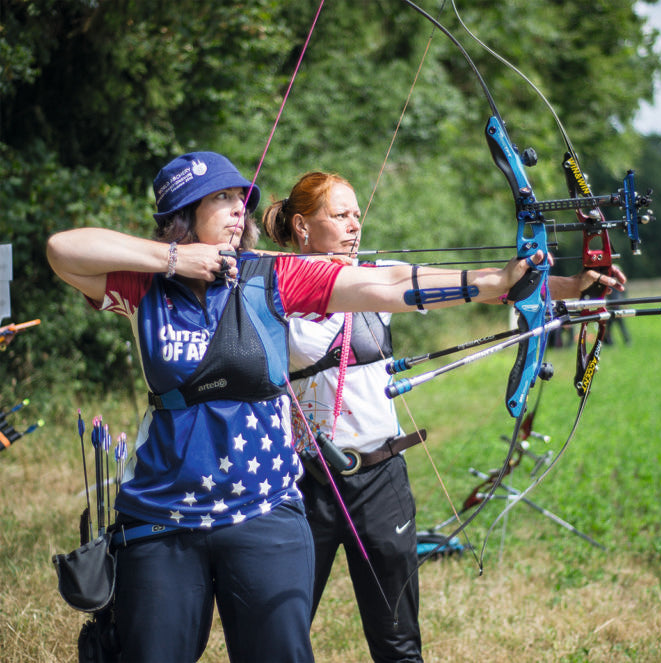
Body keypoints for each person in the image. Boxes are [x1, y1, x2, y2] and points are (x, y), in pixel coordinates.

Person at [45, 152, 564, 663]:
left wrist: (492, 283)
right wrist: (174, 260)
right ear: (182, 216)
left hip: (263, 506)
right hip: (163, 513)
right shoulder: (144, 288)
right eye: (220, 198)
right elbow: (62, 250)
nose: (236, 210)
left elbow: (386, 284)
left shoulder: (272, 278)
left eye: (240, 200)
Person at [260, 171, 626, 663]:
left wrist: (575, 286)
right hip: (305, 481)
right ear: (303, 225)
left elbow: (482, 287)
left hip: (378, 478)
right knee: (279, 635)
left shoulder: (378, 273)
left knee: (397, 642)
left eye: (356, 214)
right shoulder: (271, 284)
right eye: (340, 215)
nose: (354, 224)